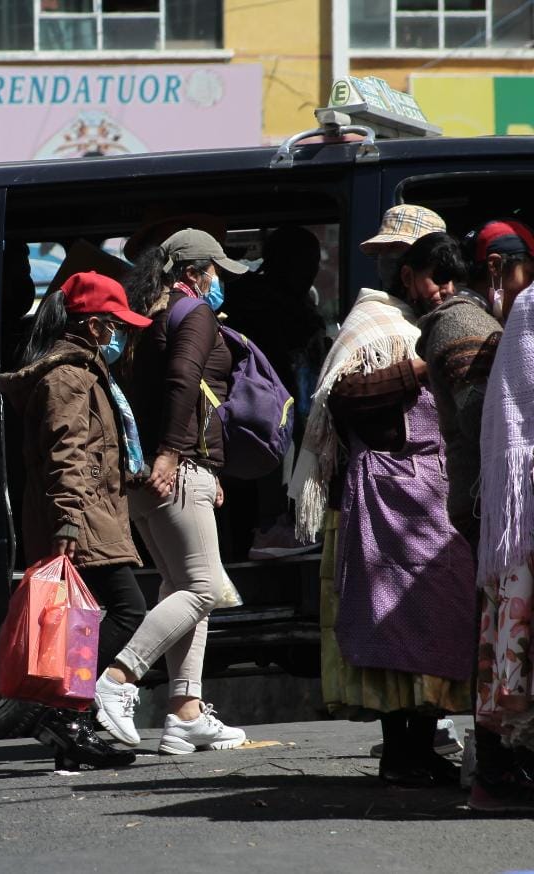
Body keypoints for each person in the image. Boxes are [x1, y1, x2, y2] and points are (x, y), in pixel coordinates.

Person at [291, 220, 475, 787]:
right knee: (396, 618)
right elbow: (343, 398)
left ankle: (421, 742)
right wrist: (419, 366)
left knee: (437, 615)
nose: (440, 290)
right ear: (405, 270)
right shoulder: (374, 324)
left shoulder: (437, 322)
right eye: (428, 275)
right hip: (390, 495)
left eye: (449, 280)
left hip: (429, 498)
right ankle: (402, 750)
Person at [93, 229, 250, 755]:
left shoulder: (146, 317)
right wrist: (175, 453)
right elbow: (185, 382)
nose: (219, 281)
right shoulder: (195, 313)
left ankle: (185, 712)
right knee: (203, 588)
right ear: (193, 272)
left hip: (153, 471)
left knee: (181, 586)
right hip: (173, 470)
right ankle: (117, 680)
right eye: (215, 271)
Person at [0, 271, 153, 769]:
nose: (118, 335)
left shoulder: (80, 371)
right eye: (113, 325)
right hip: (80, 517)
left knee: (85, 623)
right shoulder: (67, 377)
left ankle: (73, 731)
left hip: (87, 513)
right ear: (91, 326)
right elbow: (65, 453)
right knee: (128, 611)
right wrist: (67, 522)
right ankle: (65, 712)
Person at [463, 220, 534, 811]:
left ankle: (498, 775)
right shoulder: (528, 309)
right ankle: (499, 775)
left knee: (513, 643)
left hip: (518, 512)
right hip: (523, 506)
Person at [222, 226, 328, 559]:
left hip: (241, 415)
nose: (310, 271)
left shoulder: (242, 296)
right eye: (305, 262)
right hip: (269, 413)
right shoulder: (282, 308)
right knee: (269, 494)